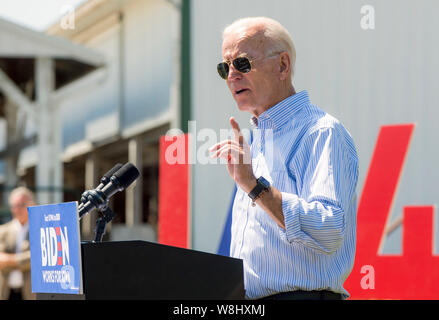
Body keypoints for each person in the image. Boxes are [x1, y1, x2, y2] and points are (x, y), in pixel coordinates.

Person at [209, 17, 359, 300]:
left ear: (282, 66)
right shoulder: (258, 139)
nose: (231, 76)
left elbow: (329, 230)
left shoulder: (321, 131)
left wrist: (255, 187)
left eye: (241, 63)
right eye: (224, 68)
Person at [0, 187, 36, 300]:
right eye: (15, 205)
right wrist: (23, 262)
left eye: (22, 205)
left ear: (32, 205)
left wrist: (10, 261)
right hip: (6, 292)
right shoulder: (3, 230)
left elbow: (36, 259)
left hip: (29, 294)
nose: (18, 209)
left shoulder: (38, 230)